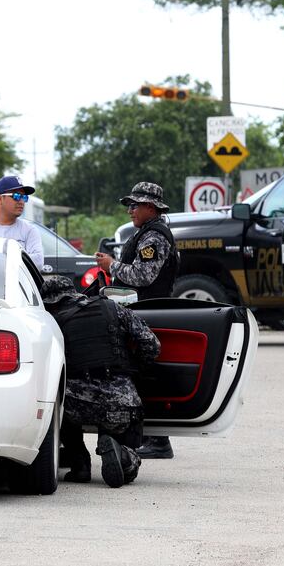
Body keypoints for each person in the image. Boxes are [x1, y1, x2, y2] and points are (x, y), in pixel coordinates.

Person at [41, 276, 161, 488]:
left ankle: (80, 464)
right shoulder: (112, 308)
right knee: (124, 433)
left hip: (73, 405)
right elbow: (152, 345)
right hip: (120, 401)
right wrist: (135, 369)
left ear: (51, 302)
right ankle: (122, 454)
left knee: (55, 406)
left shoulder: (51, 322)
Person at [94, 181, 179, 460]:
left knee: (144, 374)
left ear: (150, 207)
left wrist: (112, 266)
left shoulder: (154, 237)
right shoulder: (145, 233)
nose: (130, 210)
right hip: (140, 313)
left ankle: (158, 440)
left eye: (135, 205)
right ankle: (146, 436)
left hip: (149, 314)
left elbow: (144, 277)